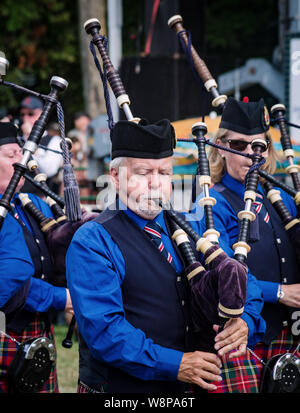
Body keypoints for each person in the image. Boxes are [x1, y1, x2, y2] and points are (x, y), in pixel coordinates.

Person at [66, 118, 265, 393]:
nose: (155, 184)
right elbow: (105, 332)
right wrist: (177, 364)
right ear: (115, 176)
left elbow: (245, 280)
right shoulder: (93, 240)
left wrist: (246, 321)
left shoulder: (192, 226)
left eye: (164, 173)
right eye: (143, 173)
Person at [199, 97, 300, 393]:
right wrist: (281, 293)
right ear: (220, 147)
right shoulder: (212, 203)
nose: (249, 154)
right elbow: (224, 267)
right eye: (239, 145)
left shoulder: (282, 201)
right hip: (244, 335)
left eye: (258, 146)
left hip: (290, 335)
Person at [0, 122, 73, 393]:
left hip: (38, 332)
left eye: (22, 153)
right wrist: (61, 298)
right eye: (11, 155)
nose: (21, 160)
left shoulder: (32, 205)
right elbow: (10, 277)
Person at [19, 96, 63, 195]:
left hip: (41, 199)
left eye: (30, 114)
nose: (25, 118)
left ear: (41, 115)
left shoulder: (54, 141)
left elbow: (49, 170)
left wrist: (31, 139)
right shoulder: (17, 139)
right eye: (23, 114)